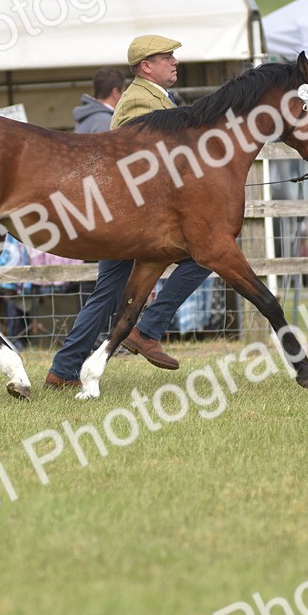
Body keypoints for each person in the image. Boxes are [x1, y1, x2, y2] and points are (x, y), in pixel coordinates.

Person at [44, 35, 213, 389]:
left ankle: (64, 370)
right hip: (134, 216)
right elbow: (143, 160)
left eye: (172, 56)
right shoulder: (139, 100)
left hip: (133, 214)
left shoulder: (156, 97)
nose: (175, 62)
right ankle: (147, 329)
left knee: (107, 292)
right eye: (167, 57)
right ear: (146, 66)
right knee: (203, 255)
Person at [72, 67, 125, 133]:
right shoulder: (106, 121)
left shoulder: (85, 118)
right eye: (123, 91)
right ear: (115, 92)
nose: (124, 95)